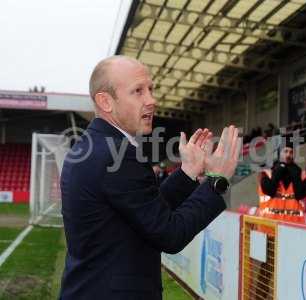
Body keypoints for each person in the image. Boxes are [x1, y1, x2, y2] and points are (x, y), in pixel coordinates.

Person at [59, 55, 240, 300]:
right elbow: (170, 234)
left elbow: (146, 211)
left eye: (151, 90)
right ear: (106, 101)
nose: (151, 100)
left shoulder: (93, 147)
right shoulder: (118, 155)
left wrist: (187, 172)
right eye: (138, 91)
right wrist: (217, 181)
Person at [257, 140, 306, 221]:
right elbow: (270, 191)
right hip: (270, 225)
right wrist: (277, 172)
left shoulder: (301, 175)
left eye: (291, 152)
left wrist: (295, 175)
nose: (288, 155)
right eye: (285, 151)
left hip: (293, 226)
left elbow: (300, 195)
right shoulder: (267, 173)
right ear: (279, 154)